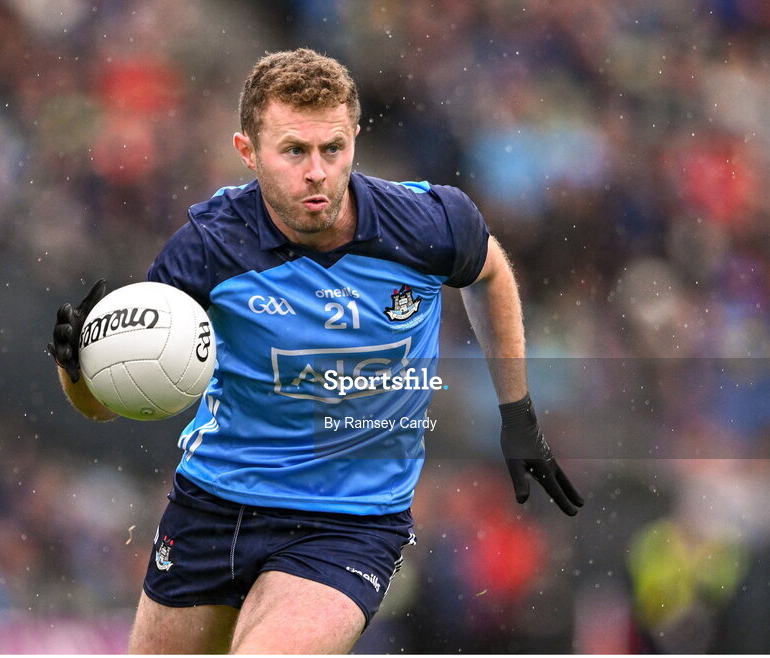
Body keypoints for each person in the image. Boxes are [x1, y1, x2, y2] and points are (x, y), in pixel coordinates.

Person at [48, 48, 583, 654]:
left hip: (350, 524)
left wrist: (517, 413)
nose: (317, 172)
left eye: (333, 149)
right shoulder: (205, 249)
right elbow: (102, 405)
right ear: (248, 152)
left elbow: (490, 274)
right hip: (212, 506)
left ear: (355, 137)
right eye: (294, 151)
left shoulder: (429, 224)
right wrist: (77, 370)